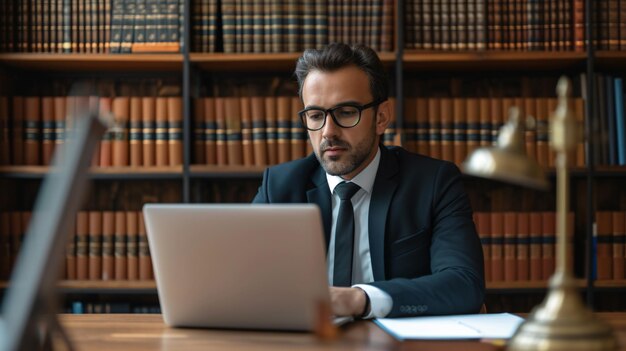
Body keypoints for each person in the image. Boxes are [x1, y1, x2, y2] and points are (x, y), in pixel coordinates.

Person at [252, 43, 484, 319]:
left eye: (346, 112)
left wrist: (360, 299)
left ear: (381, 117)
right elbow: (239, 278)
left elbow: (464, 285)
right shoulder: (279, 187)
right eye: (315, 115)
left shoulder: (433, 183)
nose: (328, 132)